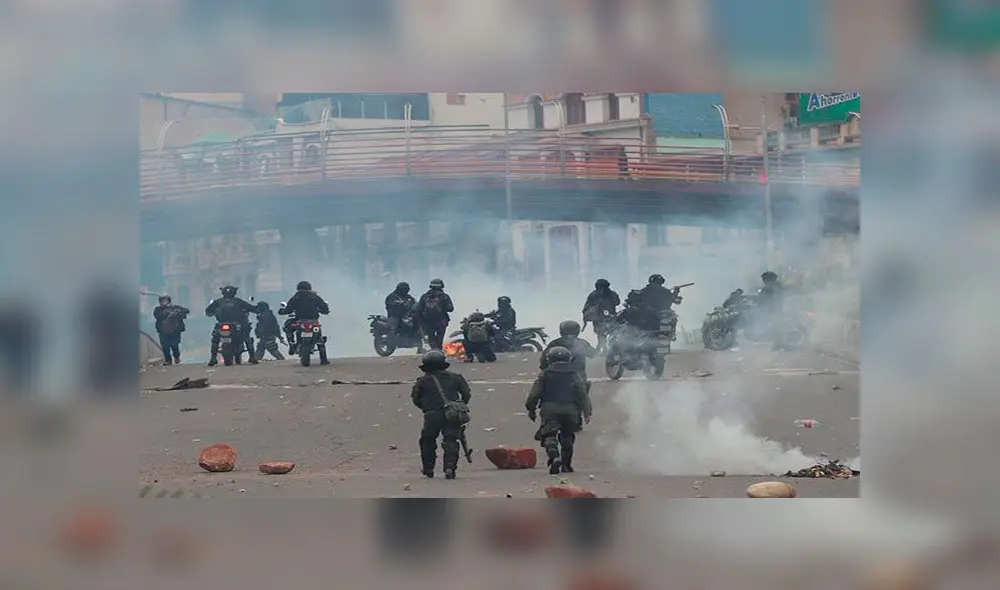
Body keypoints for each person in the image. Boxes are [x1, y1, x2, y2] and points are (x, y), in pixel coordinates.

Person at [525, 346, 593, 475]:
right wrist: (587, 412)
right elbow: (582, 394)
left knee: (549, 435)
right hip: (571, 409)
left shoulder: (545, 373)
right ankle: (566, 465)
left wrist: (531, 409)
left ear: (549, 359)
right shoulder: (574, 374)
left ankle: (554, 457)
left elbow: (534, 394)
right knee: (567, 435)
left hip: (550, 409)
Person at [411, 349, 472, 480]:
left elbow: (416, 399)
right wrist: (458, 406)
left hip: (432, 415)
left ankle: (428, 468)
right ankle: (450, 468)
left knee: (427, 440)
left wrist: (426, 408)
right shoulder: (456, 377)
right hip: (453, 414)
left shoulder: (422, 381)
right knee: (451, 440)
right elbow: (466, 394)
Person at [540, 320, 597, 430]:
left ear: (561, 330)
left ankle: (553, 420)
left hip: (556, 374)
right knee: (582, 394)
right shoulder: (582, 343)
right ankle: (578, 419)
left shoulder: (554, 343)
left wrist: (544, 368)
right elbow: (593, 354)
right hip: (579, 375)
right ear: (577, 331)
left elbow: (543, 360)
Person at [279, 280, 331, 365]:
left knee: (288, 326)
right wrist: (324, 311)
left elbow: (288, 310)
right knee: (319, 338)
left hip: (300, 321)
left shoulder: (295, 297)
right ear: (309, 288)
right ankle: (323, 359)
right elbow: (324, 307)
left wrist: (282, 311)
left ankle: (291, 343)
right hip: (313, 321)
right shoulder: (315, 297)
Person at [205, 285, 259, 366]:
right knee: (246, 338)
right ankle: (252, 357)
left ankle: (213, 358)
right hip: (237, 324)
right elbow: (251, 308)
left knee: (215, 340)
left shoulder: (218, 302)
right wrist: (258, 308)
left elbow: (208, 311)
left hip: (221, 324)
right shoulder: (239, 301)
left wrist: (212, 313)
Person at [414, 278, 454, 350]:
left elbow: (418, 309)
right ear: (441, 286)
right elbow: (450, 308)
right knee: (440, 337)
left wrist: (420, 321)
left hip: (428, 321)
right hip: (441, 321)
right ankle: (439, 351)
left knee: (431, 337)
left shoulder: (424, 296)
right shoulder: (444, 296)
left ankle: (434, 351)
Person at [582, 278, 621, 351]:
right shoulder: (594, 295)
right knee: (601, 335)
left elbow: (617, 302)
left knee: (610, 333)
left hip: (610, 317)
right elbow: (588, 306)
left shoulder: (611, 294)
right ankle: (603, 348)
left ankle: (607, 348)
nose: (601, 289)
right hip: (599, 318)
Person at [640, 274, 682, 339]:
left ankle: (670, 334)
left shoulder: (643, 290)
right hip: (660, 316)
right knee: (673, 317)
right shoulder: (665, 291)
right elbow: (674, 299)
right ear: (661, 281)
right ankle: (671, 334)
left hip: (648, 316)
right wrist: (676, 291)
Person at [152, 294, 190, 365]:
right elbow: (158, 316)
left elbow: (187, 310)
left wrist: (177, 311)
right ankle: (168, 360)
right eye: (161, 301)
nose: (162, 302)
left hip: (175, 331)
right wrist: (167, 312)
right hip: (163, 331)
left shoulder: (175, 307)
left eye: (164, 301)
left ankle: (176, 357)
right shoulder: (158, 309)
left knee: (174, 345)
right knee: (165, 346)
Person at [384, 281, 419, 347]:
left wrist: (418, 305)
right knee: (393, 327)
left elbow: (413, 301)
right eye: (404, 289)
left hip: (405, 315)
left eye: (406, 289)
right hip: (394, 316)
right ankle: (390, 342)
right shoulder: (392, 296)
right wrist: (400, 303)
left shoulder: (406, 296)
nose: (406, 291)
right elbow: (391, 302)